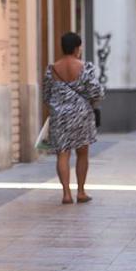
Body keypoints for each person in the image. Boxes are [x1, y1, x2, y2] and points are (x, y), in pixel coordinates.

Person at [43, 32, 104, 204]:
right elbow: (96, 92)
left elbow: (46, 95)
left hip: (59, 115)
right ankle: (81, 191)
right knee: (82, 153)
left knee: (62, 154)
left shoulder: (52, 69)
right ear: (77, 47)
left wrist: (58, 107)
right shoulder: (86, 67)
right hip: (81, 114)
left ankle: (66, 194)